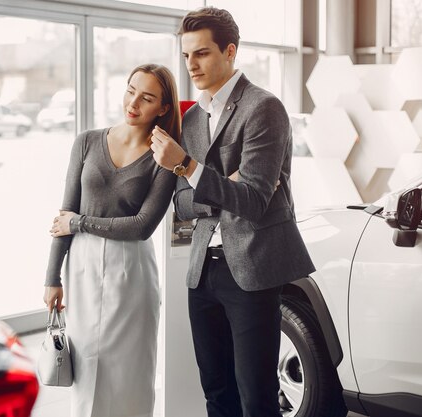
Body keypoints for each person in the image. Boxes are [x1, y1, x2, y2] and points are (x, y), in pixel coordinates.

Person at [150, 7, 315, 417]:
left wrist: (189, 168)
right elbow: (183, 205)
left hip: (254, 269)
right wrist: (224, 184)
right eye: (186, 55)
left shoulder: (264, 108)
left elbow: (255, 201)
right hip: (203, 270)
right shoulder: (191, 118)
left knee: (256, 397)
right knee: (216, 392)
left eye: (202, 53)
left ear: (230, 51)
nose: (192, 65)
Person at [43, 63, 181, 417]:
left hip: (131, 270)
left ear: (163, 109)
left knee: (129, 373)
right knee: (87, 367)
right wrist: (52, 278)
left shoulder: (164, 157)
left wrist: (81, 223)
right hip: (83, 267)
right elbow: (65, 214)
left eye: (147, 97)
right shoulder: (87, 141)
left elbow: (142, 226)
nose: (133, 102)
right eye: (130, 90)